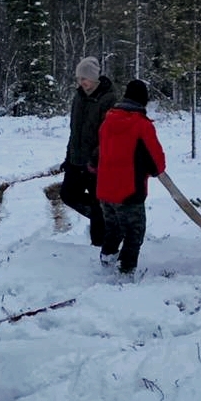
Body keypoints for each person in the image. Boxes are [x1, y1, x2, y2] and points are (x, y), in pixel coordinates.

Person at [96, 79, 166, 275]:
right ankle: (125, 272)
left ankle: (106, 262)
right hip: (129, 190)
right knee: (134, 233)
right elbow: (156, 163)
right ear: (143, 101)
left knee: (113, 229)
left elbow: (99, 151)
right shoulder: (142, 126)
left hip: (105, 189)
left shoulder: (108, 121)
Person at [60, 56, 116, 246]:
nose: (81, 82)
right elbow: (74, 132)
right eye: (78, 79)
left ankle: (99, 245)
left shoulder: (108, 98)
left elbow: (108, 135)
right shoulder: (78, 97)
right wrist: (68, 157)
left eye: (84, 78)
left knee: (97, 202)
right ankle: (105, 218)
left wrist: (96, 158)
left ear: (94, 78)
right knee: (68, 195)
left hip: (96, 165)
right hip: (76, 160)